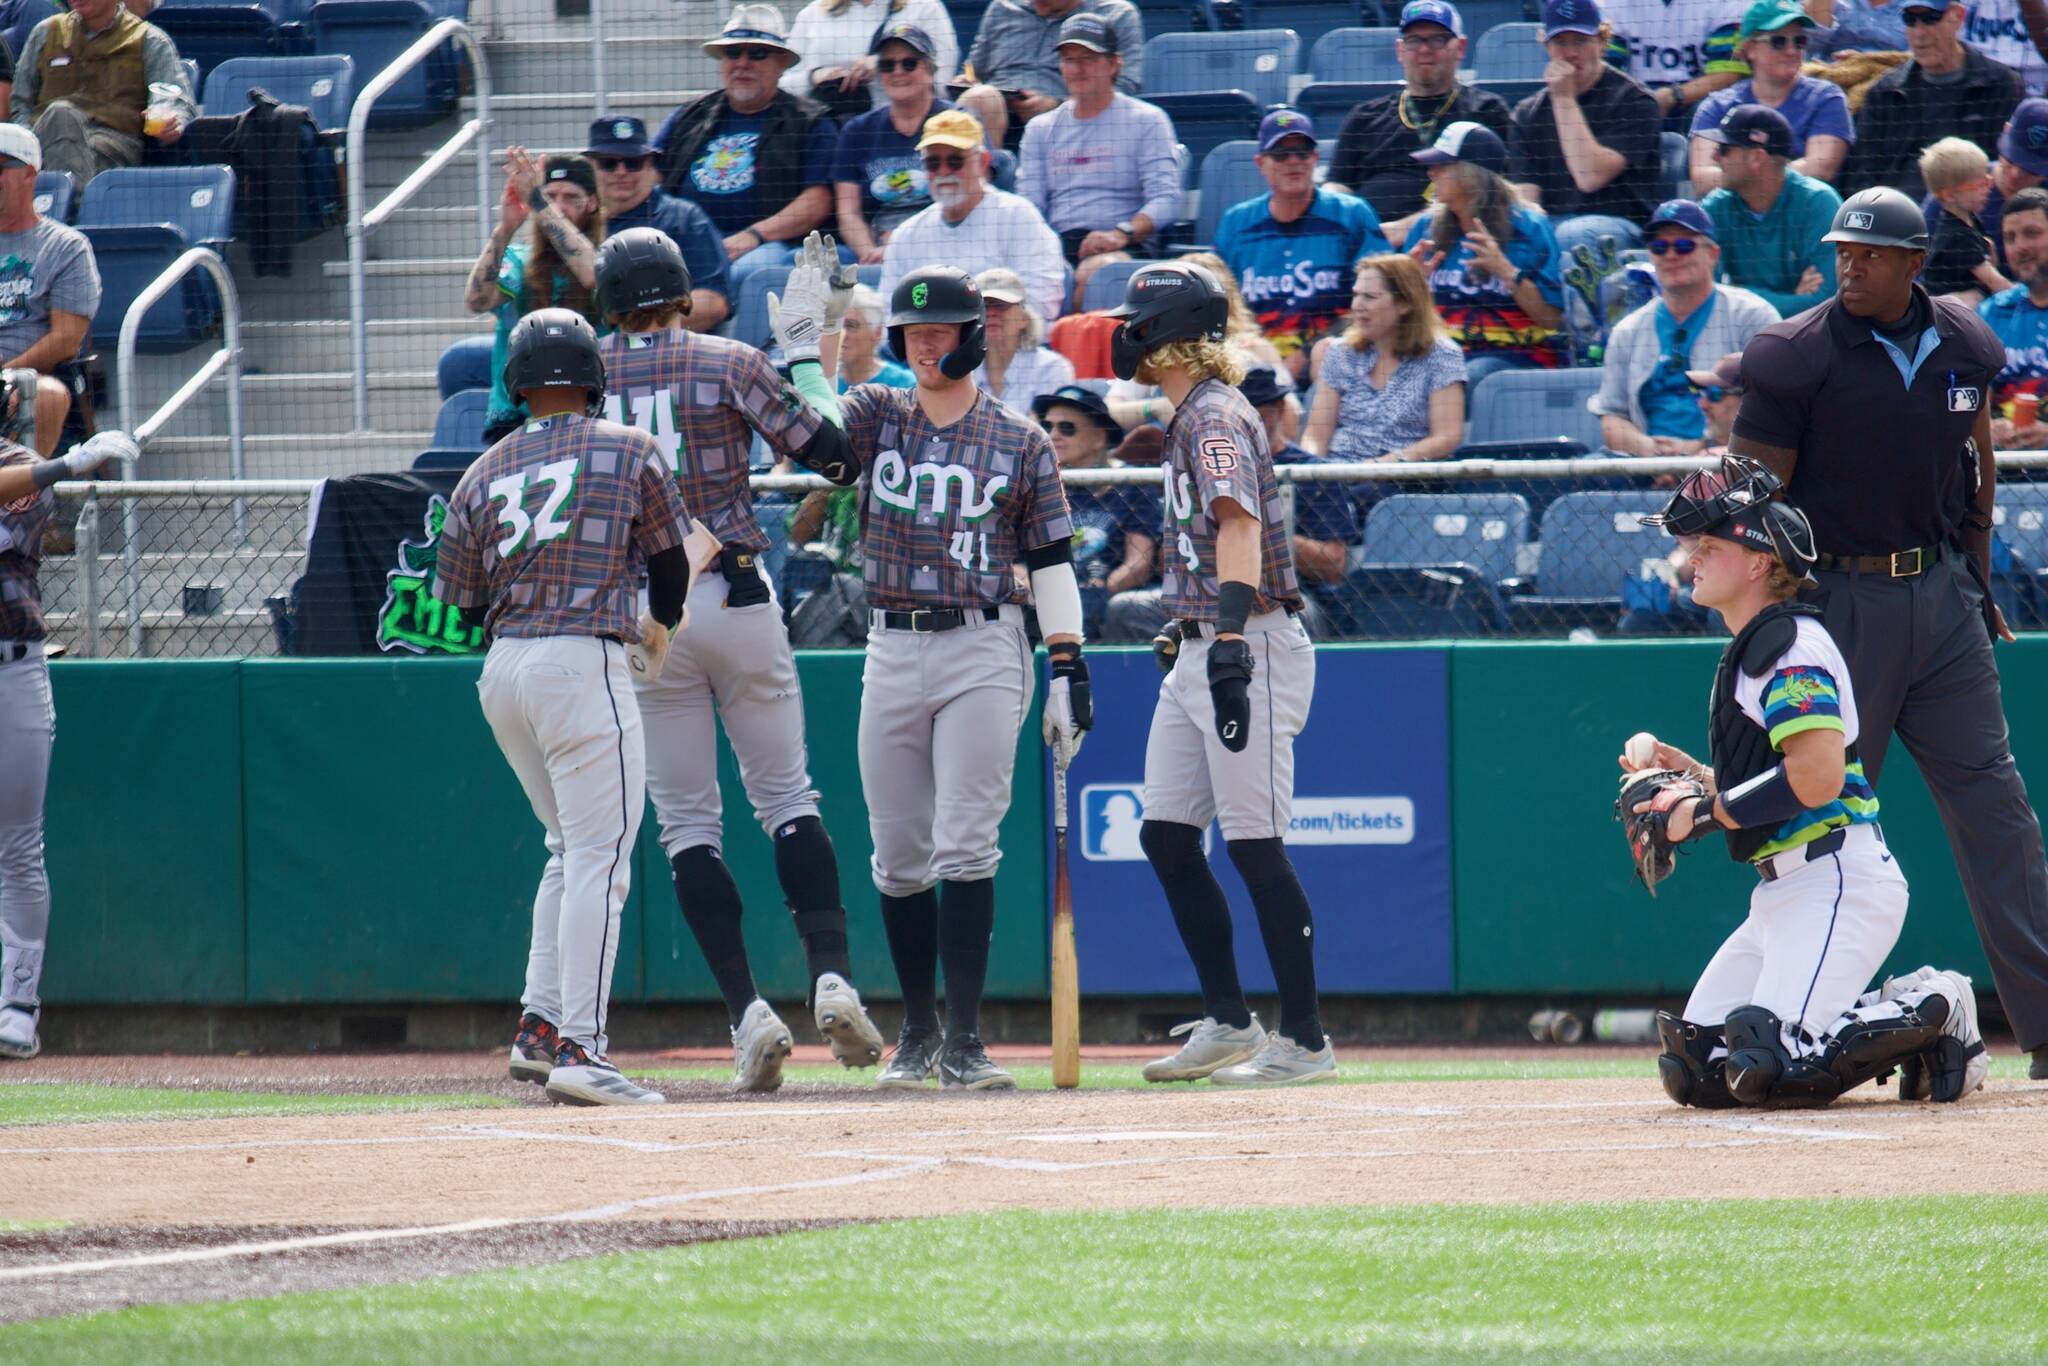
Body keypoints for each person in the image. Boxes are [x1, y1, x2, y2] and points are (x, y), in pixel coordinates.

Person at [1731, 186, 2048, 1082]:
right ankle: (1796, 1020)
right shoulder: (1794, 353)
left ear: (1915, 264)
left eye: (1870, 254)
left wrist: (1977, 581)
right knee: (1815, 813)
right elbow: (1753, 497)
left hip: (1941, 596)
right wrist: (1776, 621)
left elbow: (1979, 460)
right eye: (1842, 251)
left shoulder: (1967, 342)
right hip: (1836, 602)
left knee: (1997, 805)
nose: (1850, 265)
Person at [590, 227, 884, 1092]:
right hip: (737, 591)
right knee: (787, 798)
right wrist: (802, 354)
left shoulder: (589, 370)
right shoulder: (723, 358)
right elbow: (837, 456)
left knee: (687, 824)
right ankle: (830, 974)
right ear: (684, 291)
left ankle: (745, 1012)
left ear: (609, 302)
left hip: (643, 613)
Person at [793, 258, 1089, 1092]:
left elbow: (1052, 559)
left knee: (966, 842)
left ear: (970, 336)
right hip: (889, 642)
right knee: (896, 853)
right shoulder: (877, 413)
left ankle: (965, 1038)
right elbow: (807, 423)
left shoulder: (1020, 440)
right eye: (912, 334)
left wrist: (1067, 660)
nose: (924, 347)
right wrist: (806, 324)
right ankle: (917, 1031)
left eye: (939, 333)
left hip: (984, 643)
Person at [1627, 456, 1987, 1110]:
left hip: (1837, 881)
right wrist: (1695, 779)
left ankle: (1939, 1005)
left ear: (1760, 561)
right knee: (1701, 1069)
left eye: (1709, 546)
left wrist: (1698, 813)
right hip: (1783, 892)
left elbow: (1816, 779)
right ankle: (1869, 1013)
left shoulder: (1788, 646)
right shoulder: (1758, 644)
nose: (1691, 559)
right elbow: (1785, 780)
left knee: (1778, 1067)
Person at [433, 309, 691, 1108]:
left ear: (516, 384)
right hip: (582, 660)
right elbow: (673, 569)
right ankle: (584, 1046)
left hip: (504, 670)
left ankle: (541, 1027)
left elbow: (460, 607)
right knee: (601, 860)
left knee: (567, 848)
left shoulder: (481, 470)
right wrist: (659, 629)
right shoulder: (633, 448)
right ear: (592, 377)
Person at [1102, 263, 1334, 1088]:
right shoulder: (1188, 411)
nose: (1125, 332)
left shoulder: (1210, 417)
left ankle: (1304, 1040)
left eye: (1139, 321)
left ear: (1172, 331)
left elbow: (1236, 526)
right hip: (1202, 643)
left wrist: (1229, 636)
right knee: (1165, 833)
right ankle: (1231, 1021)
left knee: (1256, 845)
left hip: (1251, 643)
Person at [0, 398, 133, 1063]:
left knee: (18, 845)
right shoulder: (45, 468)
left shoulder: (23, 466)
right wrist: (67, 463)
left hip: (12, 671)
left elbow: (19, 496)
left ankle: (18, 1006)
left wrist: (54, 467)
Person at [655, 5, 840, 294]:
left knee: (743, 276)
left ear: (781, 63)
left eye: (756, 53)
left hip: (765, 245)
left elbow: (818, 200)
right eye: (732, 53)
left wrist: (755, 234)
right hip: (685, 241)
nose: (742, 63)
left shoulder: (810, 121)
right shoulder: (689, 116)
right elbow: (649, 175)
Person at [1590, 200, 1777, 459]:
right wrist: (1649, 451)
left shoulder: (1752, 316)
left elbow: (1773, 409)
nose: (1670, 255)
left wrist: (1699, 449)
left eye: (1683, 245)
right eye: (1659, 247)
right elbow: (1612, 417)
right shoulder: (1628, 330)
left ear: (1713, 254)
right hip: (1644, 462)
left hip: (1727, 460)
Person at [1015, 12, 1179, 306]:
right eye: (1069, 60)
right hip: (1058, 244)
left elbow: (1166, 200)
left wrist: (1121, 233)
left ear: (1114, 63)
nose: (1077, 69)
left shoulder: (1148, 120)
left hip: (1126, 244)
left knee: (1094, 273)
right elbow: (1030, 207)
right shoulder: (1040, 129)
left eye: (1088, 59)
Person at [1216, 109, 1389, 385]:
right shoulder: (1236, 224)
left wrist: (1307, 354)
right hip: (1254, 367)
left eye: (1302, 152)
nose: (1293, 161)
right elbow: (1223, 309)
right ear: (1261, 163)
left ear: (1316, 158)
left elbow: (1377, 299)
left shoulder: (1352, 215)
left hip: (1337, 360)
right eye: (1281, 154)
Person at [1326, 0, 1512, 239]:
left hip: (1451, 239)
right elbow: (1338, 185)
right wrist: (1337, 211)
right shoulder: (1364, 116)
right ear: (1400, 50)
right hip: (1371, 242)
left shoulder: (1486, 110)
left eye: (1438, 39)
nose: (1425, 49)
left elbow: (1494, 193)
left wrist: (1405, 229)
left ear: (1461, 47)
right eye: (1414, 40)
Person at [1404, 121, 1566, 384]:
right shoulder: (1425, 229)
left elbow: (1551, 320)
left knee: (1466, 374)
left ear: (1472, 173)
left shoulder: (1529, 228)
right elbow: (1406, 322)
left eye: (1442, 165)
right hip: (1440, 356)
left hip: (1515, 358)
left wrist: (1506, 272)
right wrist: (1413, 285)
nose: (1431, 172)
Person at [464, 149, 606, 442]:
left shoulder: (608, 259)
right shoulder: (518, 259)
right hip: (515, 424)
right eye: (552, 196)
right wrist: (506, 228)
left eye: (571, 198)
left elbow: (592, 275)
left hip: (590, 420)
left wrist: (540, 203)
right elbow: (476, 301)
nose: (559, 206)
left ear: (592, 203)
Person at [1507, 0, 1664, 260]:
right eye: (1560, 42)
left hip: (1621, 228)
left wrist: (1564, 99)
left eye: (1580, 41)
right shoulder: (1526, 113)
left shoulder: (1635, 101)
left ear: (1602, 43)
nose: (1570, 53)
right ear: (1546, 46)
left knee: (1574, 236)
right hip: (1552, 225)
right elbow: (1527, 197)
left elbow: (1589, 176)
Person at [880, 108, 1067, 323]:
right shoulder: (907, 234)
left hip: (1004, 348)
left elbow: (1040, 302)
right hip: (928, 350)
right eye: (933, 163)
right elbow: (888, 313)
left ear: (983, 162)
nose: (943, 172)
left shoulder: (1018, 216)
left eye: (955, 161)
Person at [1838, 0, 2026, 199]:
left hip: (1970, 219)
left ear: (1958, 16)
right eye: (1910, 20)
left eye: (1930, 18)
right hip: (1893, 220)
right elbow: (1860, 177)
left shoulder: (2001, 85)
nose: (1919, 32)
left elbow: (2009, 173)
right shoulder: (1885, 92)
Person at [1303, 252, 1466, 471]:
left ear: (1404, 304)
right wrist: (1311, 473)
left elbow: (1446, 437)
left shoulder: (1442, 355)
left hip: (1403, 479)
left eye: (1369, 297)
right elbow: (1315, 436)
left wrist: (1380, 466)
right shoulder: (1340, 353)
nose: (1357, 305)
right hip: (1336, 478)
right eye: (1356, 295)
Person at [9, 0, 192, 186]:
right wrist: (27, 145)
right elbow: (19, 102)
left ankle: (69, 206)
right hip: (43, 141)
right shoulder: (46, 32)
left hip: (109, 146)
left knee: (61, 113)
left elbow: (173, 99)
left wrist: (169, 121)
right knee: (59, 116)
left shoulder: (148, 39)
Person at [1241, 365, 1359, 639]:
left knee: (1293, 614)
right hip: (1216, 590)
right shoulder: (1213, 470)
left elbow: (1333, 565)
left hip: (1296, 592)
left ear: (1279, 409)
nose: (1244, 424)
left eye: (1255, 412)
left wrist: (1255, 532)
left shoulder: (1313, 472)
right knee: (1130, 609)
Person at [1031, 382, 1157, 638]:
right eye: (1048, 427)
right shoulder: (1036, 485)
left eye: (1067, 428)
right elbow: (1016, 562)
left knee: (1115, 609)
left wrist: (1102, 588)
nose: (1054, 435)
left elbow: (1139, 564)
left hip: (1108, 595)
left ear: (1099, 437)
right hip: (1047, 592)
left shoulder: (1131, 483)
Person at [1688, 0, 1854, 194]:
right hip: (1732, 216)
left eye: (1799, 41)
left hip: (1802, 213)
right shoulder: (1717, 105)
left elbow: (1820, 168)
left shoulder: (1826, 98)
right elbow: (1702, 178)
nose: (1792, 50)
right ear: (1749, 49)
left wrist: (1742, 176)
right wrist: (1770, 176)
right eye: (1779, 41)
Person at [0, 126, 97, 455]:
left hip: (26, 377)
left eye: (0, 167)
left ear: (29, 174)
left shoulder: (66, 247)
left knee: (47, 397)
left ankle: (18, 502)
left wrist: (7, 371)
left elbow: (67, 339)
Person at [585, 116, 731, 331]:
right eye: (609, 163)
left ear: (650, 165)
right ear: (590, 167)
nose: (621, 171)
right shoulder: (577, 220)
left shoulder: (683, 217)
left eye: (633, 162)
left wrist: (639, 322)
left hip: (670, 353)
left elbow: (713, 303)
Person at [1699, 104, 1843, 318]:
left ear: (1757, 158)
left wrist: (1737, 297)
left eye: (1724, 149)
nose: (1714, 158)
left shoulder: (1817, 203)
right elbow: (1705, 297)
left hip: (1813, 341)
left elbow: (1828, 304)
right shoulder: (1716, 207)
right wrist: (1794, 299)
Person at [832, 21, 953, 264]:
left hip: (945, 245)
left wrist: (902, 249)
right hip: (875, 249)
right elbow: (848, 212)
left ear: (930, 70)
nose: (897, 72)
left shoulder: (958, 122)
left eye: (909, 64)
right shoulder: (857, 131)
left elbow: (969, 203)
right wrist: (869, 254)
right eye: (887, 65)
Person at [957, 0, 1145, 149]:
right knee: (980, 98)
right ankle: (984, 180)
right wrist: (966, 80)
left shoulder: (1116, 13)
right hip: (994, 112)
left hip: (1070, 121)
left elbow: (1125, 86)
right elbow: (974, 70)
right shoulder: (1001, 7)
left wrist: (1058, 106)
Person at [779, 0, 958, 121]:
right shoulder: (812, 14)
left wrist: (885, 63)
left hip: (901, 125)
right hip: (823, 129)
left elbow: (942, 79)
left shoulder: (925, 8)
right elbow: (780, 83)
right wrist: (814, 76)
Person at [1979, 185, 2048, 443]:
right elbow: (1970, 394)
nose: (2020, 247)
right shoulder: (1991, 313)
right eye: (2010, 238)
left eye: (2032, 233)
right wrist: (1986, 428)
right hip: (2004, 472)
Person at [1599, 0, 1747, 114]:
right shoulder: (1613, 4)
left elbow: (1728, 73)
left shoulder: (1727, 3)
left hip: (1703, 106)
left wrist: (1673, 96)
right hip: (1636, 106)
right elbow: (1604, 69)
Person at [1920, 137, 2012, 302]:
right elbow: (1997, 283)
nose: (1988, 187)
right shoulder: (1956, 235)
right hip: (1944, 308)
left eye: (1988, 179)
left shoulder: (1970, 219)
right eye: (1980, 184)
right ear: (1950, 195)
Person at [974, 266, 1073, 412]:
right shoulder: (961, 370)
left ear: (1023, 318)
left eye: (1001, 306)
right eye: (985, 306)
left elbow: (1049, 430)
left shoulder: (1051, 368)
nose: (992, 313)